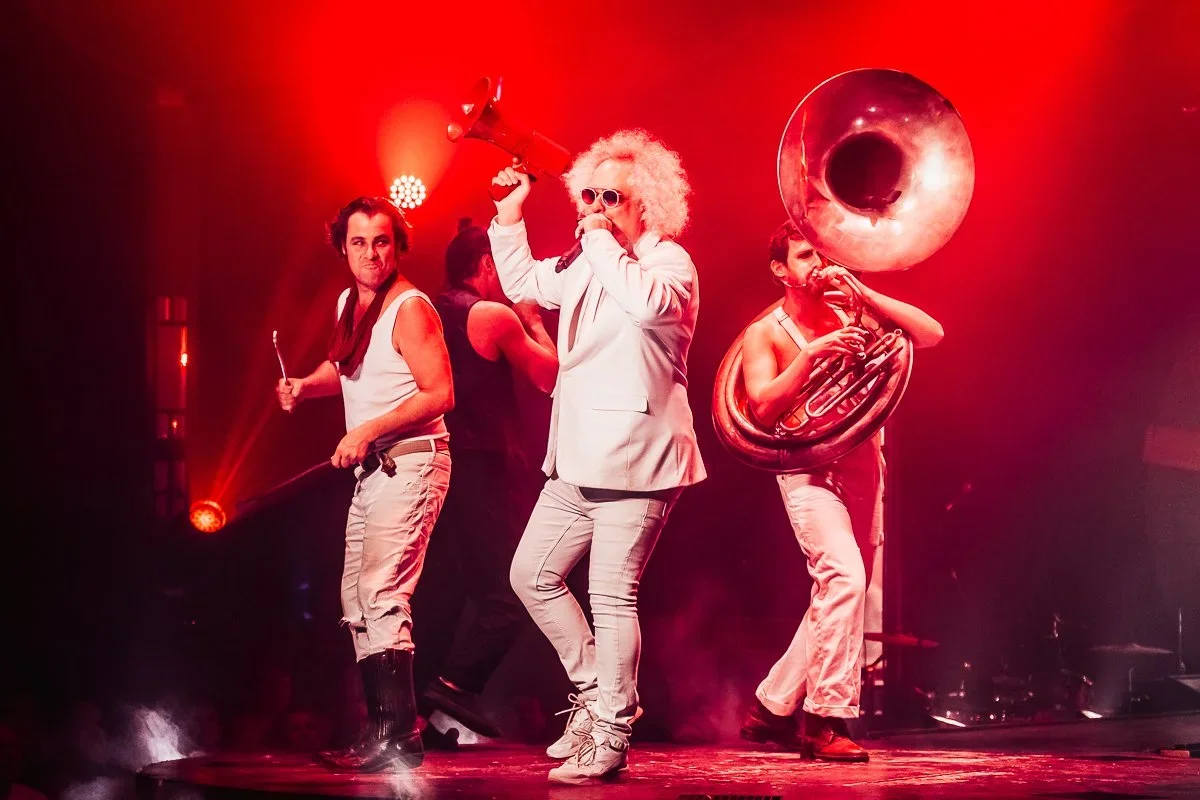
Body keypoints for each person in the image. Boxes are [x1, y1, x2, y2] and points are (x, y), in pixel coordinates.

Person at [488, 129, 707, 785]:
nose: (596, 206)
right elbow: (525, 283)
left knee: (611, 597)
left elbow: (643, 306)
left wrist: (598, 241)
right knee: (531, 575)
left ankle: (612, 731)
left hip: (638, 461)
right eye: (589, 194)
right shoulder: (593, 256)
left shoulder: (670, 265)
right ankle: (595, 693)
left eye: (611, 196)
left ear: (648, 203)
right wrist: (510, 214)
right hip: (580, 457)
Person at [737, 220, 944, 761]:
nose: (820, 266)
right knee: (845, 578)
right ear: (780, 269)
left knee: (840, 593)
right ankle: (825, 720)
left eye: (825, 256)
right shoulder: (767, 332)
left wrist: (863, 291)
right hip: (807, 470)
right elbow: (761, 405)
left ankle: (771, 709)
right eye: (806, 256)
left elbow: (931, 334)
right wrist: (813, 355)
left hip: (863, 464)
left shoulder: (852, 311)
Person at [275, 196, 453, 772]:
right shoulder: (351, 302)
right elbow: (348, 368)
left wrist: (369, 429)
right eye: (358, 242)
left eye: (382, 241)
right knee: (357, 599)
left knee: (381, 594)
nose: (371, 253)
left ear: (398, 245)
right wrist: (306, 384)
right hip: (376, 467)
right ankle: (379, 732)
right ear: (342, 248)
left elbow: (439, 393)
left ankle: (399, 738)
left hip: (411, 460)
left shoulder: (410, 309)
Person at [416, 218, 558, 739]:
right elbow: (551, 377)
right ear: (486, 265)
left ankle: (417, 720)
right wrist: (532, 319)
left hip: (434, 466)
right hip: (483, 469)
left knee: (445, 595)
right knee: (514, 591)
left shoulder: (423, 311)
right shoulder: (491, 314)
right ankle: (455, 686)